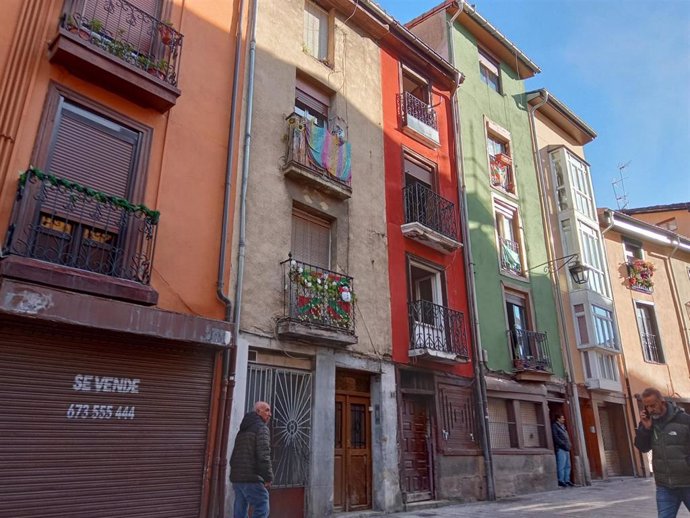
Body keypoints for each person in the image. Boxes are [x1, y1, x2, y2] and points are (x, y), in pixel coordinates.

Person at [634, 387, 690, 518]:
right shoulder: (647, 423)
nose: (650, 409)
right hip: (665, 486)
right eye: (647, 407)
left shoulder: (684, 420)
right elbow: (642, 448)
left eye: (653, 405)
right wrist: (646, 429)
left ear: (662, 402)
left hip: (687, 481)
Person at [230, 401, 274, 518]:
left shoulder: (242, 430)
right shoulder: (262, 428)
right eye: (267, 410)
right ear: (258, 411)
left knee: (240, 510)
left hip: (238, 478)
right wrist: (268, 477)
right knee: (262, 505)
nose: (270, 414)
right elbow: (264, 456)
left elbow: (235, 454)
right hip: (251, 478)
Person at [552, 413, 574, 487]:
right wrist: (563, 444)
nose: (563, 419)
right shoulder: (555, 426)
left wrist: (569, 444)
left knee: (568, 465)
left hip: (567, 448)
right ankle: (561, 480)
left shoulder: (563, 427)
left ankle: (567, 480)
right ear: (558, 419)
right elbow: (556, 437)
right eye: (562, 418)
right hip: (561, 448)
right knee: (561, 465)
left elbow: (566, 437)